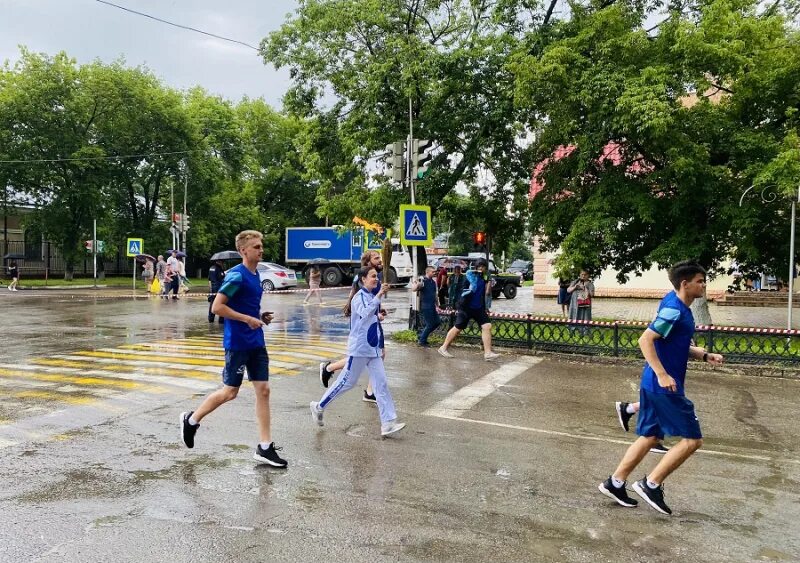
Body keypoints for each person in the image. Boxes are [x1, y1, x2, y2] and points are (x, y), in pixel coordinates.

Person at [598, 260, 723, 515]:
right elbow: (645, 340)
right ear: (685, 284)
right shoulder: (674, 310)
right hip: (664, 386)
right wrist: (663, 374)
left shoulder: (675, 303)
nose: (704, 285)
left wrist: (700, 354)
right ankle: (651, 484)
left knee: (651, 437)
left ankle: (615, 482)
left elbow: (670, 342)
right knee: (692, 440)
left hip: (652, 384)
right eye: (700, 281)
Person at [180, 230, 288, 467]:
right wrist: (246, 319)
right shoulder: (236, 276)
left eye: (261, 246)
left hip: (256, 342)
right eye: (257, 247)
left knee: (264, 390)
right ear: (243, 251)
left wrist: (258, 316)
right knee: (230, 392)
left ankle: (265, 447)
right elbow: (217, 307)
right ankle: (192, 420)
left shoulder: (256, 274)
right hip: (238, 344)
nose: (261, 250)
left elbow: (245, 305)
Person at [309, 267, 406, 437]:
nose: (376, 279)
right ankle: (318, 406)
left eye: (377, 276)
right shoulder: (358, 297)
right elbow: (363, 313)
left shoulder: (369, 296)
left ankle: (388, 423)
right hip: (360, 349)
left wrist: (379, 316)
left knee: (381, 383)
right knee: (347, 383)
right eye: (373, 276)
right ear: (363, 279)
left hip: (373, 348)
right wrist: (379, 297)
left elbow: (369, 317)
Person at [319, 251, 384, 402]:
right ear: (368, 262)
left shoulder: (373, 277)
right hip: (365, 324)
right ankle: (329, 369)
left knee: (375, 355)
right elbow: (356, 296)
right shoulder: (364, 278)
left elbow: (372, 299)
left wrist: (380, 310)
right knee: (366, 357)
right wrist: (352, 310)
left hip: (373, 321)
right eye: (376, 258)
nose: (380, 260)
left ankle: (369, 391)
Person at [437, 259, 500, 361]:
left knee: (487, 326)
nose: (481, 268)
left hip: (478, 308)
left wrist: (488, 281)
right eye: (479, 266)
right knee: (458, 327)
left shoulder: (483, 277)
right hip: (466, 308)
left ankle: (488, 353)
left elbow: (486, 292)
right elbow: (461, 291)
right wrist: (470, 286)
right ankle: (443, 348)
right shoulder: (469, 277)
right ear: (475, 267)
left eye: (483, 267)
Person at [412, 266, 440, 347]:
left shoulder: (433, 282)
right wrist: (416, 284)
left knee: (437, 322)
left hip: (432, 306)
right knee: (430, 324)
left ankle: (421, 336)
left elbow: (435, 294)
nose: (434, 273)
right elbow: (414, 289)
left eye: (435, 272)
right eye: (433, 272)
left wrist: (437, 304)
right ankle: (422, 341)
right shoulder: (423, 281)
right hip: (426, 306)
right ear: (427, 272)